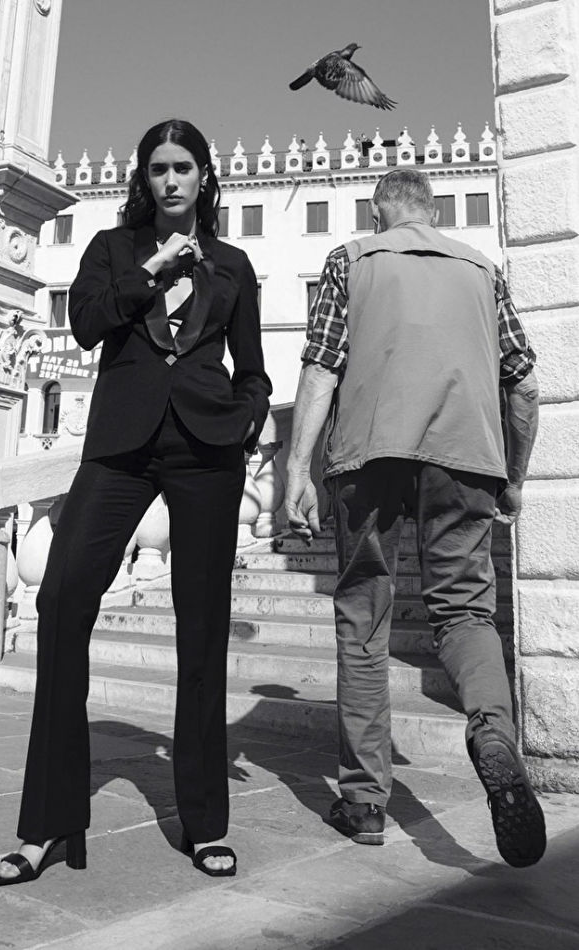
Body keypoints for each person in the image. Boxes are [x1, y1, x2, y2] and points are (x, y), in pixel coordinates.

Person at [0, 118, 271, 886]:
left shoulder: (235, 265)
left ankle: (203, 822)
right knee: (62, 599)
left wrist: (244, 421)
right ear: (144, 178)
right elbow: (85, 325)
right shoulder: (112, 250)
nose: (170, 179)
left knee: (202, 628)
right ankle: (49, 822)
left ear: (204, 176)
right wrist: (156, 265)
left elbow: (253, 368)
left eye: (183, 167)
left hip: (206, 450)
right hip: (120, 445)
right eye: (158, 168)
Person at [284, 168, 546, 868]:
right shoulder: (483, 272)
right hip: (468, 455)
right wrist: (514, 477)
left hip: (369, 452)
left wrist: (296, 468)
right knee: (466, 613)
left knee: (364, 616)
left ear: (381, 215)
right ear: (433, 213)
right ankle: (493, 733)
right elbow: (523, 383)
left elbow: (322, 366)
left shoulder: (351, 260)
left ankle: (364, 801)